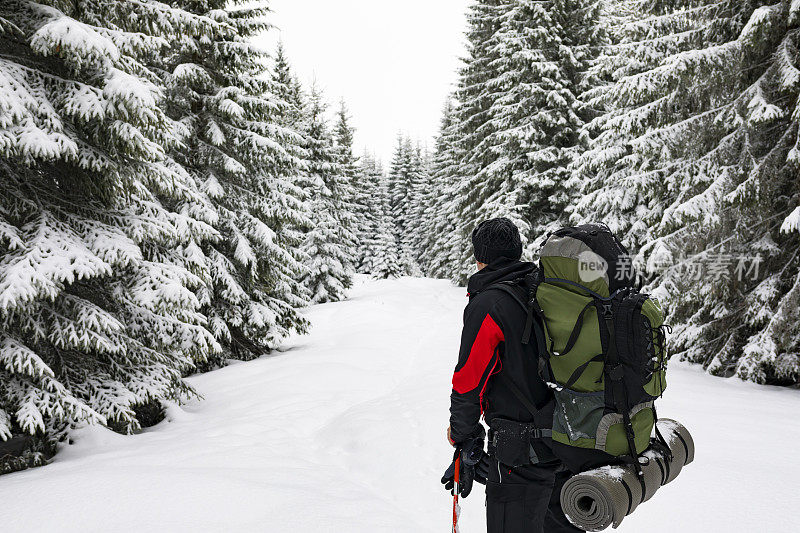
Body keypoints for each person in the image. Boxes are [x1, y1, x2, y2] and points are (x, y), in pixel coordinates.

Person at [441, 218, 582, 533]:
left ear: (479, 260)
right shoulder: (544, 290)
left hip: (520, 454)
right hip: (568, 440)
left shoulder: (490, 304)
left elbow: (468, 380)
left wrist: (462, 436)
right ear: (518, 252)